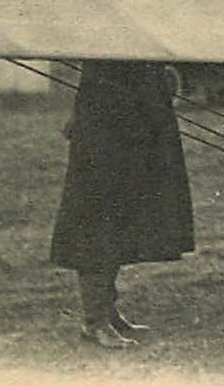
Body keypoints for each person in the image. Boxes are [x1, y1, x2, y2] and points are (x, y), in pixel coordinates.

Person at [51, 61, 194, 349]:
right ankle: (95, 321)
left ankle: (107, 311)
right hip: (107, 126)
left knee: (123, 218)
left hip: (136, 122)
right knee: (99, 219)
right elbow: (97, 75)